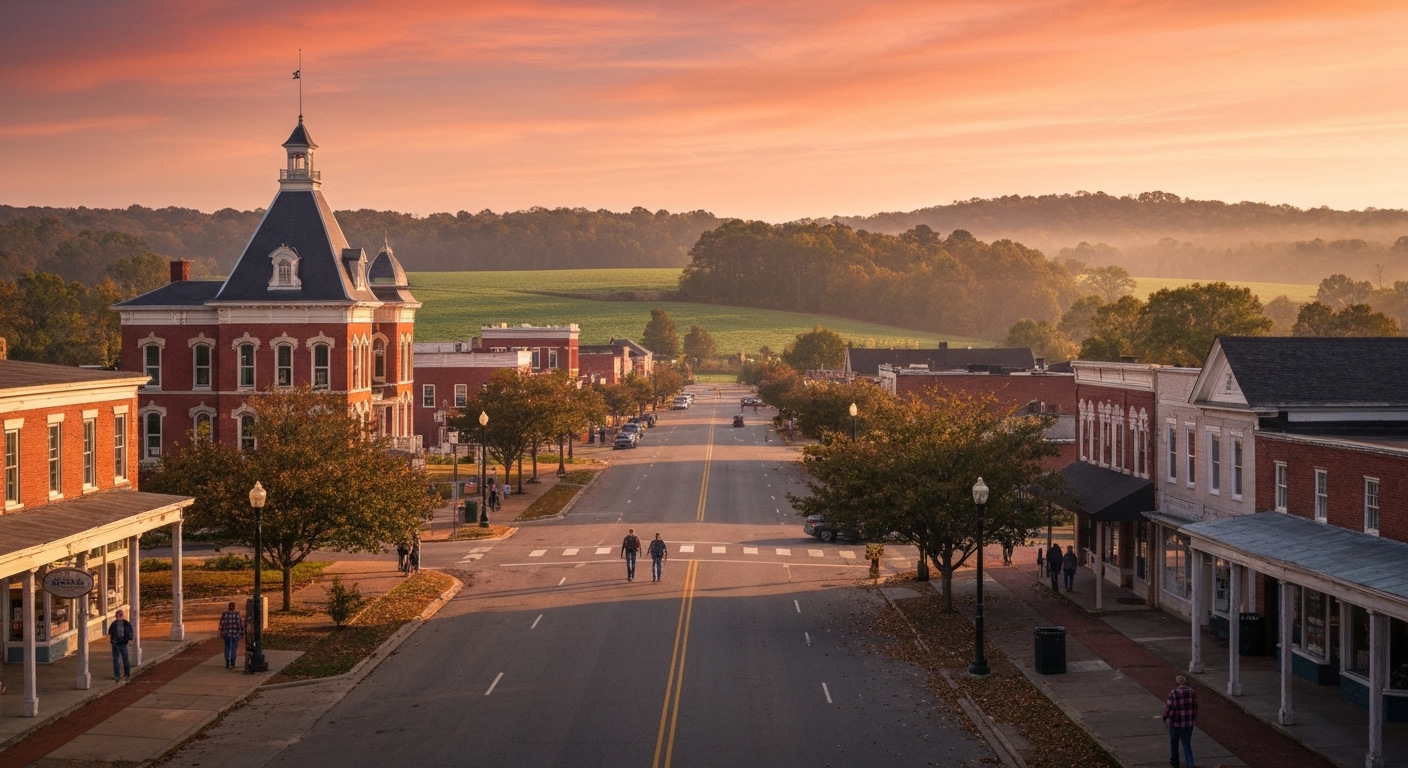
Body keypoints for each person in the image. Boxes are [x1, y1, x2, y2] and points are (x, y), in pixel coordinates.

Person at [1162, 674, 1198, 767]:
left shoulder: (1174, 692)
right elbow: (1195, 706)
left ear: (1177, 682)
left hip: (1176, 722)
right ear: (1185, 682)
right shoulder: (1192, 692)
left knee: (1174, 742)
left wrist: (1165, 716)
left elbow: (1168, 707)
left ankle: (1175, 761)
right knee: (1186, 743)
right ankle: (1190, 764)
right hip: (1188, 722)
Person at [109, 608, 134, 682]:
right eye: (117, 616)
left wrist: (129, 639)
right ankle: (117, 675)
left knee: (125, 659)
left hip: (123, 643)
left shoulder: (126, 624)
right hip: (116, 643)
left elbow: (130, 632)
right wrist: (112, 640)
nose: (118, 618)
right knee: (116, 660)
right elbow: (110, 632)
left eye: (120, 616)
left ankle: (127, 674)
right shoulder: (114, 624)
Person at [218, 602, 244, 669]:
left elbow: (221, 624)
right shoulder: (237, 614)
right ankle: (232, 663)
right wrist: (241, 633)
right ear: (234, 607)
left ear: (228, 607)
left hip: (227, 634)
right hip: (235, 634)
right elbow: (240, 624)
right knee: (233, 649)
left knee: (227, 648)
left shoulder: (225, 614)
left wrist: (221, 632)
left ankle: (227, 662)